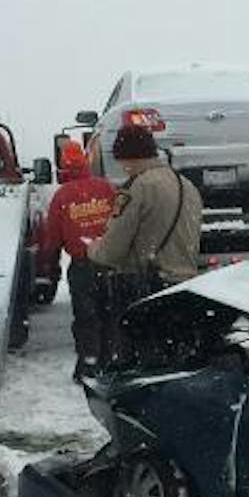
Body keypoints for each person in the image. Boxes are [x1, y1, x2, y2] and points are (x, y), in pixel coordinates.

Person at [87, 124, 204, 365]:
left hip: (145, 290)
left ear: (126, 157)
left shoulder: (137, 188)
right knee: (176, 363)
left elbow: (112, 252)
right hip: (185, 286)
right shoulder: (186, 185)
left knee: (142, 367)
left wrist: (94, 248)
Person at [34, 139, 120, 378]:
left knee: (86, 316)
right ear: (85, 162)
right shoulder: (106, 188)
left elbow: (52, 238)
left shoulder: (62, 196)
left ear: (63, 168)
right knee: (111, 313)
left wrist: (49, 269)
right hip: (112, 262)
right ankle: (110, 359)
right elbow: (122, 220)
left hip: (83, 266)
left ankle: (88, 363)